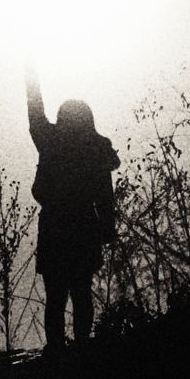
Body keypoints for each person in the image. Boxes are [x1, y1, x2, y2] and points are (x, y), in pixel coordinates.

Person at [26, 60, 120, 351]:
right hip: (84, 229)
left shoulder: (51, 142)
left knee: (56, 296)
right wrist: (107, 229)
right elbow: (105, 195)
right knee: (81, 293)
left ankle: (56, 349)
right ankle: (82, 347)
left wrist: (31, 79)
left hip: (54, 227)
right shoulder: (95, 149)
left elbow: (35, 115)